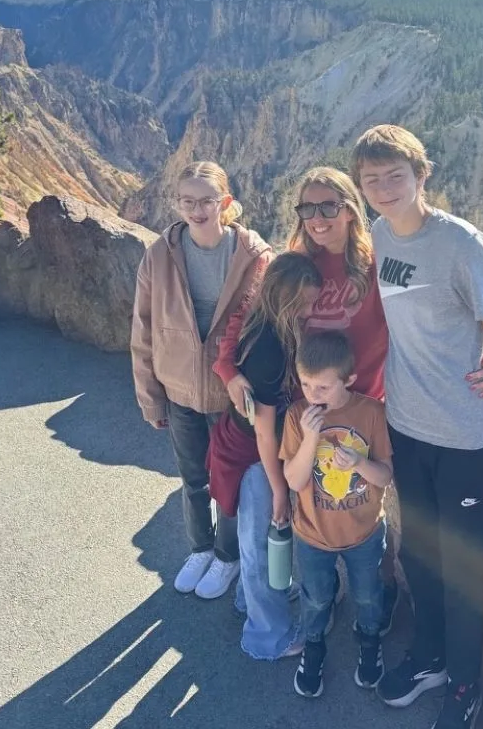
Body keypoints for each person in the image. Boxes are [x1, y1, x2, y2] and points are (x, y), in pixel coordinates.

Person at [214, 165, 483, 635]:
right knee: (313, 506)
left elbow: (432, 310)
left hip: (364, 409)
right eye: (307, 208)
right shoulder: (294, 263)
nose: (318, 218)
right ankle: (319, 596)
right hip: (303, 410)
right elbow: (246, 318)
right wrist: (228, 371)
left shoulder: (378, 262)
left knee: (364, 509)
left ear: (351, 210)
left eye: (329, 206)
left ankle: (376, 595)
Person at [350, 125, 483, 729]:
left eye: (394, 176)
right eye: (370, 180)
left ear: (422, 176)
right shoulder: (378, 233)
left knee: (463, 569)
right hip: (406, 425)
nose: (383, 189)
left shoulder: (461, 245)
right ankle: (428, 656)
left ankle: (463, 686)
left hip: (465, 440)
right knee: (421, 555)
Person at [131, 161, 273, 600]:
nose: (196, 210)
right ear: (176, 203)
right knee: (193, 478)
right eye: (187, 201)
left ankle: (228, 557)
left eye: (206, 201)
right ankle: (200, 549)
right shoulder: (160, 255)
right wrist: (150, 398)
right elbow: (143, 328)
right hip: (180, 390)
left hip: (231, 391)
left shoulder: (252, 256)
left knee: (229, 480)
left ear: (225, 203)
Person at [207, 252, 322, 660]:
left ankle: (247, 600)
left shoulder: (264, 322)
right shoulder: (271, 349)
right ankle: (269, 636)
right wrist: (279, 490)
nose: (310, 312)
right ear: (284, 299)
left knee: (255, 541)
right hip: (254, 455)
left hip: (244, 445)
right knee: (260, 543)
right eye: (304, 304)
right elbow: (264, 430)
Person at [281, 330, 393, 699]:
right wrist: (312, 438)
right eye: (306, 384)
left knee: (368, 596)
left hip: (365, 532)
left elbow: (385, 476)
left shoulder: (372, 413)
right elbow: (296, 480)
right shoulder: (298, 416)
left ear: (349, 381)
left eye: (323, 388)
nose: (313, 395)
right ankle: (313, 648)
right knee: (315, 597)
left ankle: (369, 641)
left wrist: (360, 462)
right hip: (314, 534)